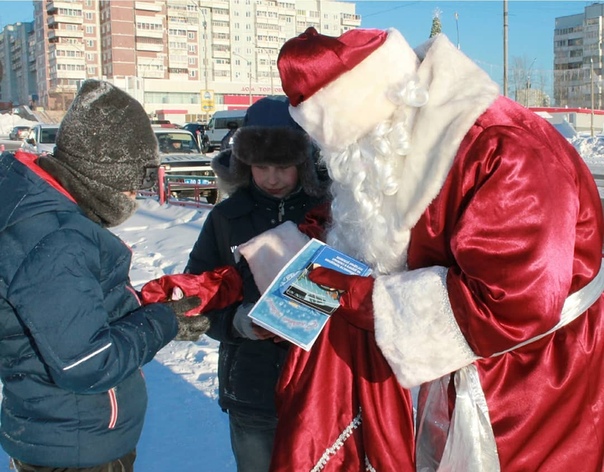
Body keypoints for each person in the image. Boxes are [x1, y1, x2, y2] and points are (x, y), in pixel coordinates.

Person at [240, 27, 604, 471]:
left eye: (353, 144)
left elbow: (512, 305)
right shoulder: (407, 139)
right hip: (453, 374)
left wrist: (352, 294)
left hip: (529, 383)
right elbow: (380, 227)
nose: (348, 161)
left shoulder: (504, 150)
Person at [0, 79, 207, 471]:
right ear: (107, 170)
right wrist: (162, 321)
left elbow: (67, 315)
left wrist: (145, 309)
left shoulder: (44, 211)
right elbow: (87, 362)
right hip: (77, 447)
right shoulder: (58, 239)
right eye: (137, 178)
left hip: (62, 433)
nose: (136, 193)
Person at [185, 95, 327, 472]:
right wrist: (236, 322)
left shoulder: (329, 214)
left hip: (320, 387)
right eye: (261, 166)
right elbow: (196, 294)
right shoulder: (227, 218)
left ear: (305, 163)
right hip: (251, 389)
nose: (272, 178)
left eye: (283, 166)